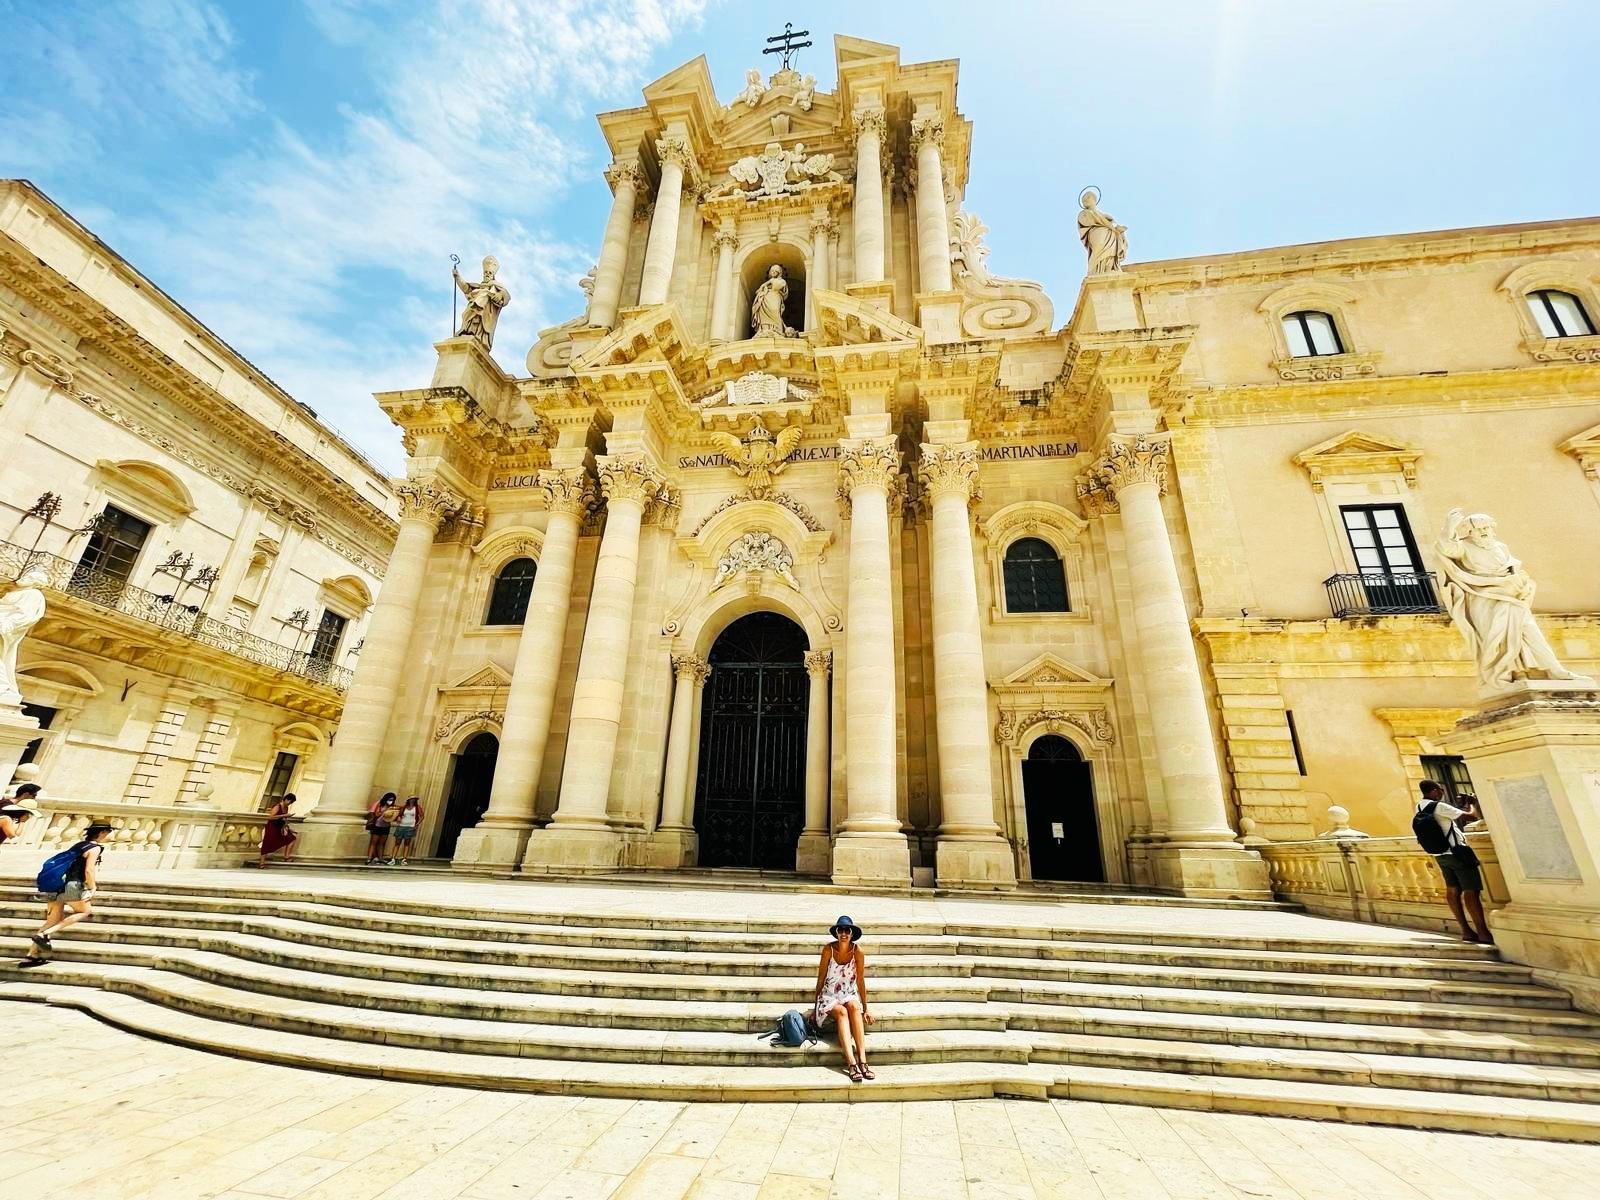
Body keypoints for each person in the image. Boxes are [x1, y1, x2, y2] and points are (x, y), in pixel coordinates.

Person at [1415, 781, 1494, 945]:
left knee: (1452, 890)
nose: (1442, 792)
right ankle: (1482, 932)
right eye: (1441, 790)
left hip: (1440, 854)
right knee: (1471, 890)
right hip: (1457, 852)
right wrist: (1472, 804)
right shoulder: (1439, 806)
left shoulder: (1420, 807)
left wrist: (1462, 806)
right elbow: (1472, 817)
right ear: (1434, 791)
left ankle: (1466, 931)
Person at [31, 820, 112, 954]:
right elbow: (89, 870)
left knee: (51, 921)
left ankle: (30, 956)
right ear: (102, 832)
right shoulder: (95, 848)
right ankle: (44, 935)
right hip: (72, 885)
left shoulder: (79, 845)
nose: (109, 835)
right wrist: (93, 888)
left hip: (56, 885)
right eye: (109, 832)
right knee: (84, 911)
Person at [813, 915, 874, 1082]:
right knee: (841, 1012)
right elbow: (820, 978)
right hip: (829, 995)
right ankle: (851, 1063)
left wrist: (866, 1008)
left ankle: (863, 1060)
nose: (844, 933)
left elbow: (860, 980)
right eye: (841, 930)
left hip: (848, 993)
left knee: (854, 1007)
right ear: (837, 933)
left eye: (847, 930)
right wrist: (815, 1005)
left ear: (852, 933)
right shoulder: (828, 950)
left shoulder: (857, 951)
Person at [258, 792, 299, 868]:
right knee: (267, 843)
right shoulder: (277, 806)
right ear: (286, 799)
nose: (290, 803)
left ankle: (286, 857)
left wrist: (289, 829)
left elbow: (283, 820)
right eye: (290, 801)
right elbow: (270, 817)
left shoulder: (286, 808)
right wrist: (284, 815)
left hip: (280, 827)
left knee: (292, 838)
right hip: (272, 826)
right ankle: (262, 863)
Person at [366, 792, 398, 864]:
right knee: (373, 843)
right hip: (377, 825)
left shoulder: (393, 807)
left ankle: (380, 858)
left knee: (382, 843)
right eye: (390, 799)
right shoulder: (379, 804)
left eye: (392, 800)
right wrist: (384, 811)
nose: (391, 801)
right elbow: (375, 814)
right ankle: (369, 858)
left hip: (386, 826)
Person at [391, 796, 423, 864]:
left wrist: (417, 824)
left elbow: (422, 816)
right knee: (397, 842)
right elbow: (399, 814)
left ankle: (404, 858)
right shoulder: (404, 807)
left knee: (407, 843)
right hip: (402, 825)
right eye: (411, 799)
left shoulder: (417, 807)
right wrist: (399, 818)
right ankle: (393, 858)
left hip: (410, 826)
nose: (412, 800)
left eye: (414, 799)